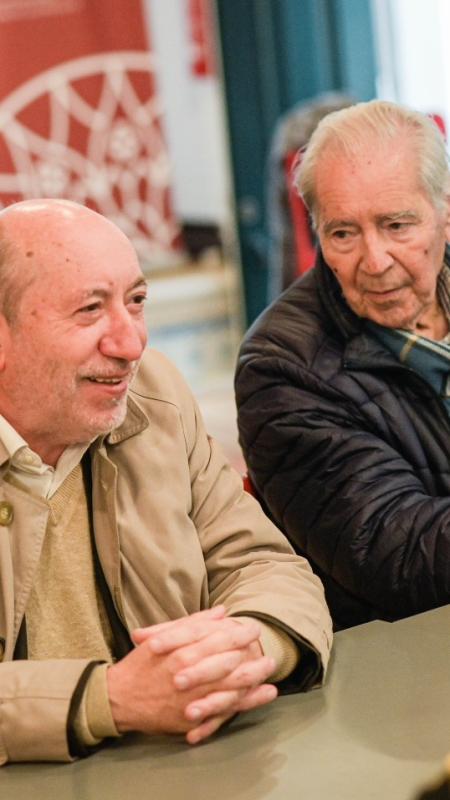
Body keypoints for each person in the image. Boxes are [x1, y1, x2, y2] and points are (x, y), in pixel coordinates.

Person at [0, 198, 331, 764]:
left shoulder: (154, 397)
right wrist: (109, 701)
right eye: (89, 310)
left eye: (136, 302)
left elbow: (263, 564)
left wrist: (246, 648)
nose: (131, 344)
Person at [235, 99, 450, 631]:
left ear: (444, 213)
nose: (374, 261)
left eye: (396, 225)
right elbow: (400, 557)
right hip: (402, 651)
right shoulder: (281, 368)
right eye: (343, 234)